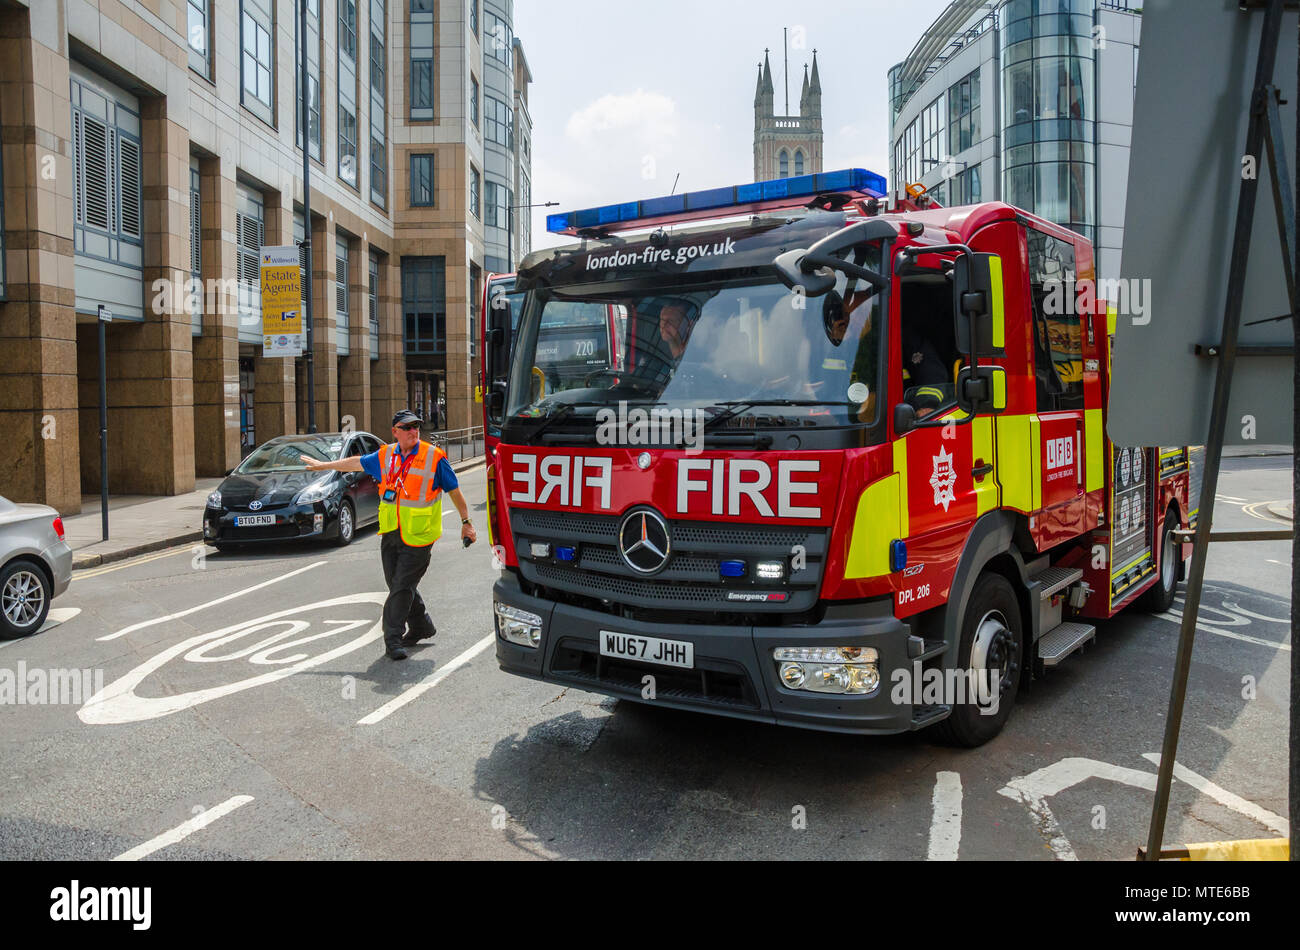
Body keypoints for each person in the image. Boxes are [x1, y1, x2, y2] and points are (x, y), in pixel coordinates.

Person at [302, 409, 476, 660]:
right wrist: (325, 465)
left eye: (416, 426)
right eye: (407, 428)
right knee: (396, 584)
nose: (413, 431)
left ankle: (392, 638)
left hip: (419, 536)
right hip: (391, 531)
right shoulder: (385, 455)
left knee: (401, 587)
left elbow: (454, 491)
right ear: (395, 432)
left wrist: (466, 522)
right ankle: (422, 626)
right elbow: (356, 462)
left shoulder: (433, 457)